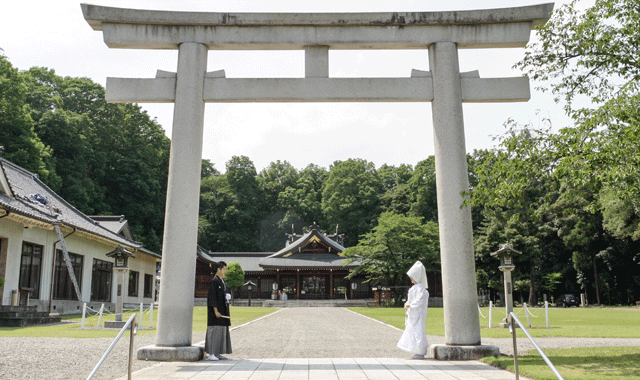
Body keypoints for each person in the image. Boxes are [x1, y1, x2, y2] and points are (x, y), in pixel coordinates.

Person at [397, 260, 429, 359]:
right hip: (413, 313)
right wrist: (408, 304)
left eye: (412, 277)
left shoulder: (421, 289)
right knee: (412, 331)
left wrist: (411, 305)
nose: (411, 279)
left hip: (418, 314)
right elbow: (411, 300)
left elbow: (420, 301)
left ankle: (420, 351)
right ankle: (416, 350)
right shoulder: (414, 288)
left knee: (418, 331)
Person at [205, 261, 232, 361]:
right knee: (214, 332)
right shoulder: (214, 282)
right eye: (224, 269)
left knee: (221, 331)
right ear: (218, 270)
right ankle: (212, 353)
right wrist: (215, 311)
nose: (225, 271)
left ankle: (218, 353)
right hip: (216, 313)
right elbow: (212, 297)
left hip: (223, 311)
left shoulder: (222, 282)